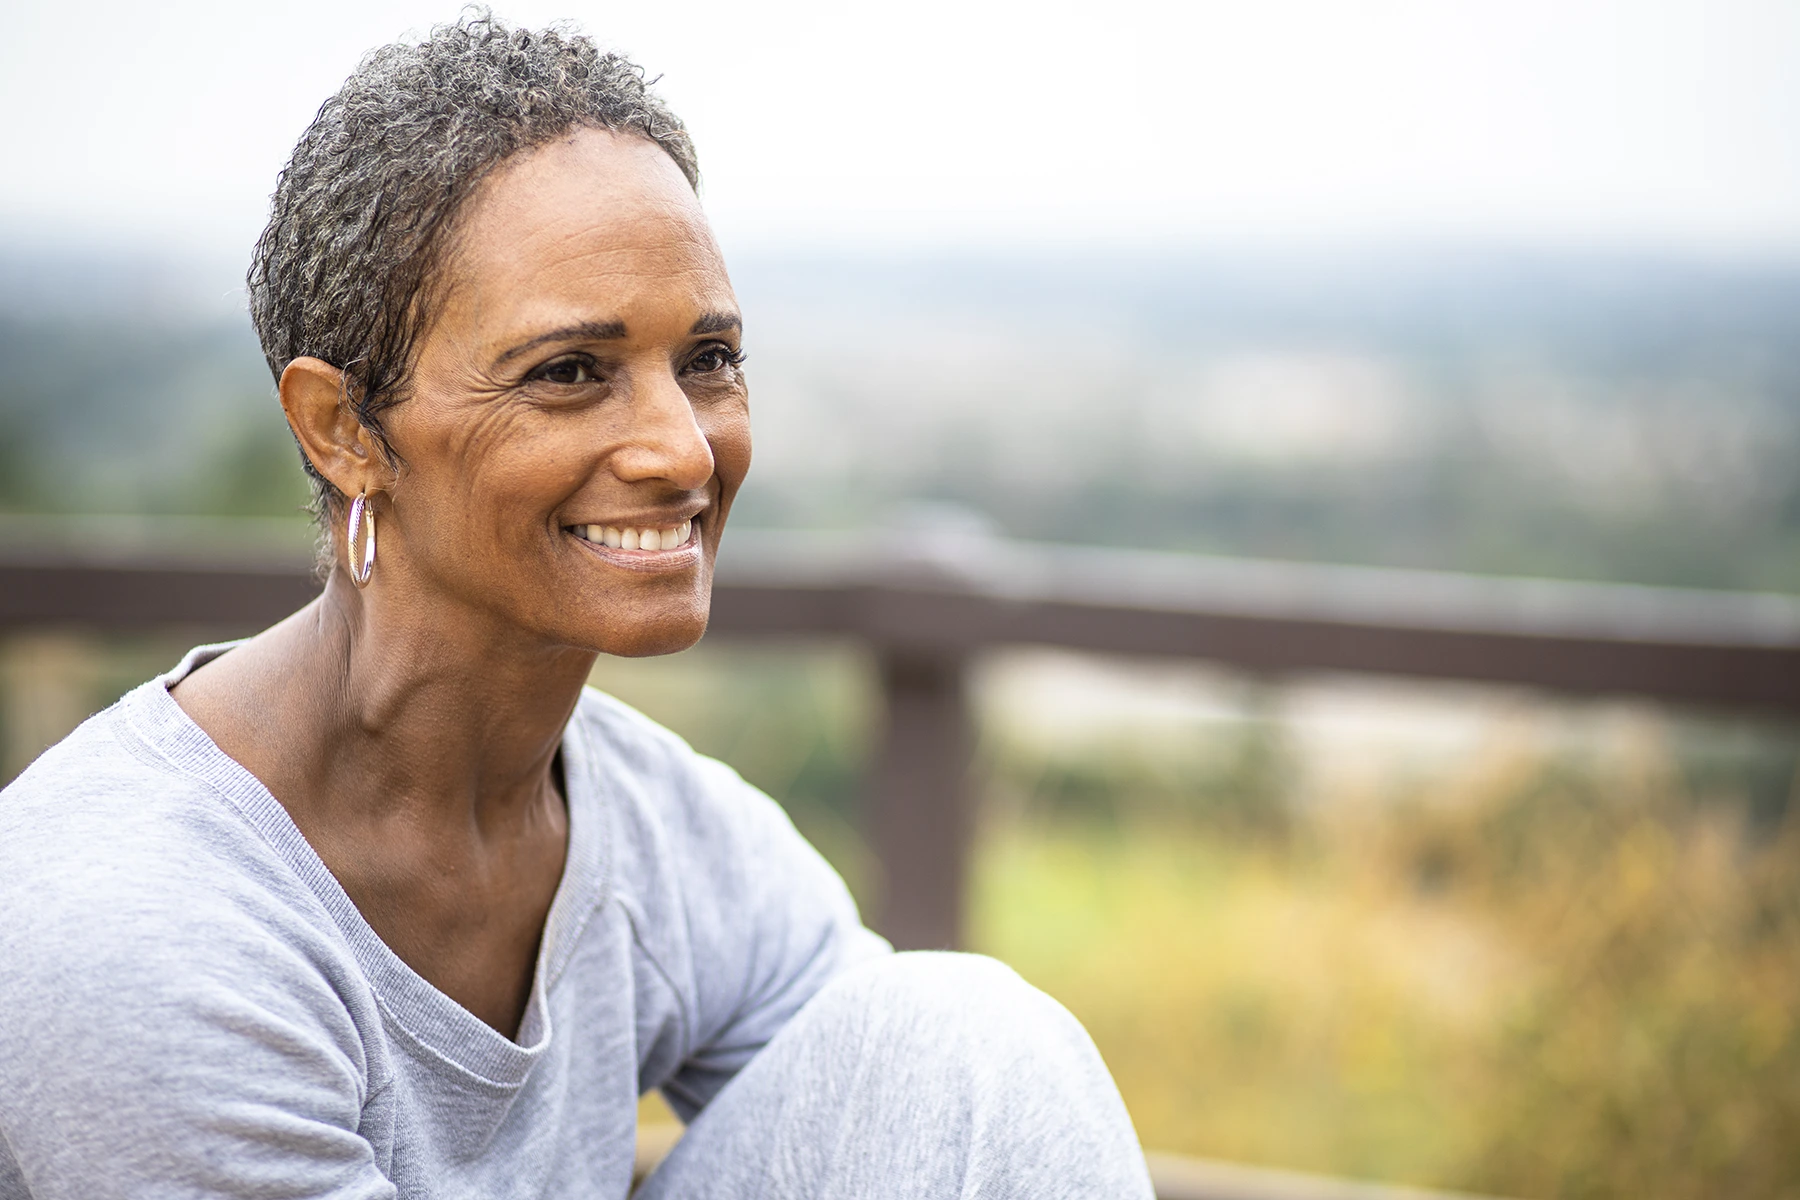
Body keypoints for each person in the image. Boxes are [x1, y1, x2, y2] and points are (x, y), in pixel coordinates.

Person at [0, 14, 1153, 1199]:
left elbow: (929, 1137)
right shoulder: (137, 929)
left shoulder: (661, 839)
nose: (681, 449)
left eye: (707, 358)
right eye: (568, 373)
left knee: (970, 1047)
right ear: (344, 430)